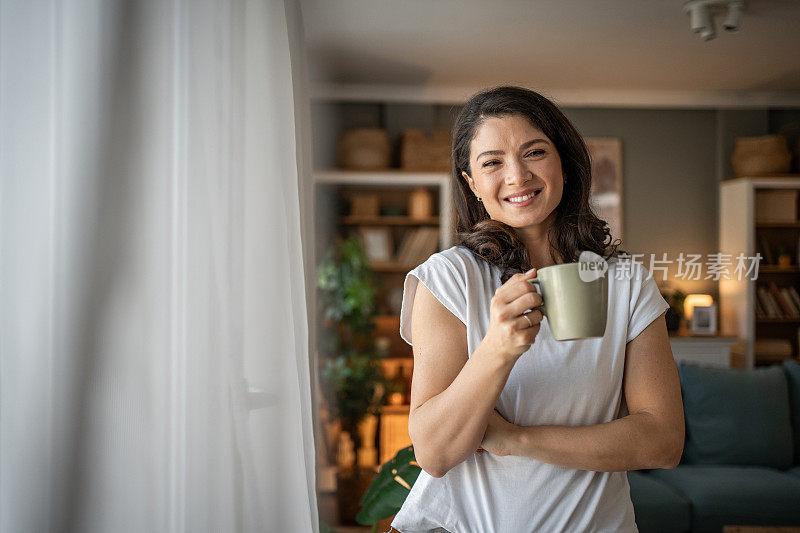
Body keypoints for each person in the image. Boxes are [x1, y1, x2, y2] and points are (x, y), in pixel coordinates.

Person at [390, 86, 684, 533]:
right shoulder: (449, 279)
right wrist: (497, 350)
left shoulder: (624, 280)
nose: (517, 175)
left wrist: (516, 439)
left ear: (562, 160)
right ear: (471, 182)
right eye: (492, 162)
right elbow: (435, 451)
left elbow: (662, 440)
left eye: (534, 152)